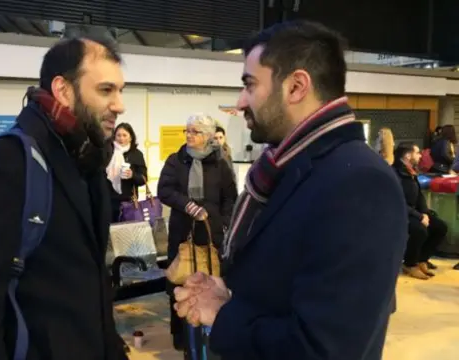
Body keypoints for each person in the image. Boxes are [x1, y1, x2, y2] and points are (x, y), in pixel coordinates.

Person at [172, 20, 407, 360]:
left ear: (296, 86)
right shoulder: (285, 170)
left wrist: (224, 316)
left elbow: (323, 349)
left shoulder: (359, 184)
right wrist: (231, 297)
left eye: (250, 85)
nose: (240, 102)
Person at [0, 36, 128, 360]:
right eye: (106, 90)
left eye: (121, 90)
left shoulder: (87, 161)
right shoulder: (8, 163)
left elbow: (90, 289)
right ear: (63, 90)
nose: (120, 104)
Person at [157, 113, 237, 352]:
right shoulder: (176, 160)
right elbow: (165, 190)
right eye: (188, 131)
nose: (190, 136)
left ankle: (208, 331)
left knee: (209, 283)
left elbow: (230, 197)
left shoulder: (220, 163)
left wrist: (224, 222)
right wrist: (187, 205)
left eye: (196, 132)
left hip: (212, 235)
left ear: (209, 136)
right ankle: (181, 334)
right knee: (181, 281)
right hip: (183, 233)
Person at [393, 142, 447, 280]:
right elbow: (398, 201)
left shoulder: (411, 171)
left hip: (414, 211)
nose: (420, 155)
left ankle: (422, 259)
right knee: (420, 230)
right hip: (401, 213)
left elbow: (419, 196)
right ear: (407, 155)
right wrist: (419, 215)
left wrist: (426, 213)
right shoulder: (395, 173)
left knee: (440, 227)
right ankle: (410, 264)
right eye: (417, 152)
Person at [106, 122, 147, 222]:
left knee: (127, 234)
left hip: (129, 201)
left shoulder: (136, 154)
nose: (121, 138)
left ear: (131, 137)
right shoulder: (108, 152)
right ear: (114, 137)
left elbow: (144, 179)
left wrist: (132, 175)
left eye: (124, 135)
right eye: (118, 135)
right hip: (109, 201)